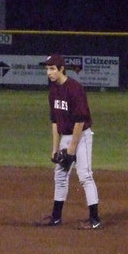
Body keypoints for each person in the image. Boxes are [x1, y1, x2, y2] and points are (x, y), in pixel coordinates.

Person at [38, 53, 102, 229]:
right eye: (47, 69)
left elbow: (80, 120)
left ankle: (95, 220)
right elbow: (54, 121)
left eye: (52, 69)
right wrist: (55, 148)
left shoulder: (75, 88)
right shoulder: (52, 92)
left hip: (81, 136)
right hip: (66, 137)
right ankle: (56, 217)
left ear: (61, 69)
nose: (49, 73)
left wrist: (72, 149)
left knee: (85, 176)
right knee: (59, 176)